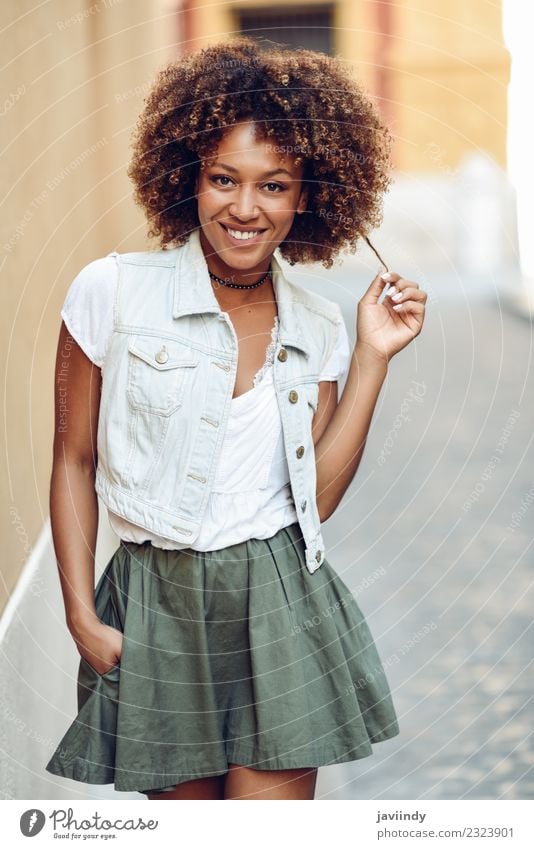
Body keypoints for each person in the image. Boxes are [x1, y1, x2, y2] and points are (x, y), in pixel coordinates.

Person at [45, 36, 427, 801]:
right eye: (224, 179)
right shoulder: (111, 292)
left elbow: (309, 500)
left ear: (307, 194)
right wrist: (81, 616)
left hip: (279, 600)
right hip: (156, 602)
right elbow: (72, 460)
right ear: (188, 177)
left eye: (274, 185)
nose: (245, 209)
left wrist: (372, 357)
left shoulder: (316, 325)